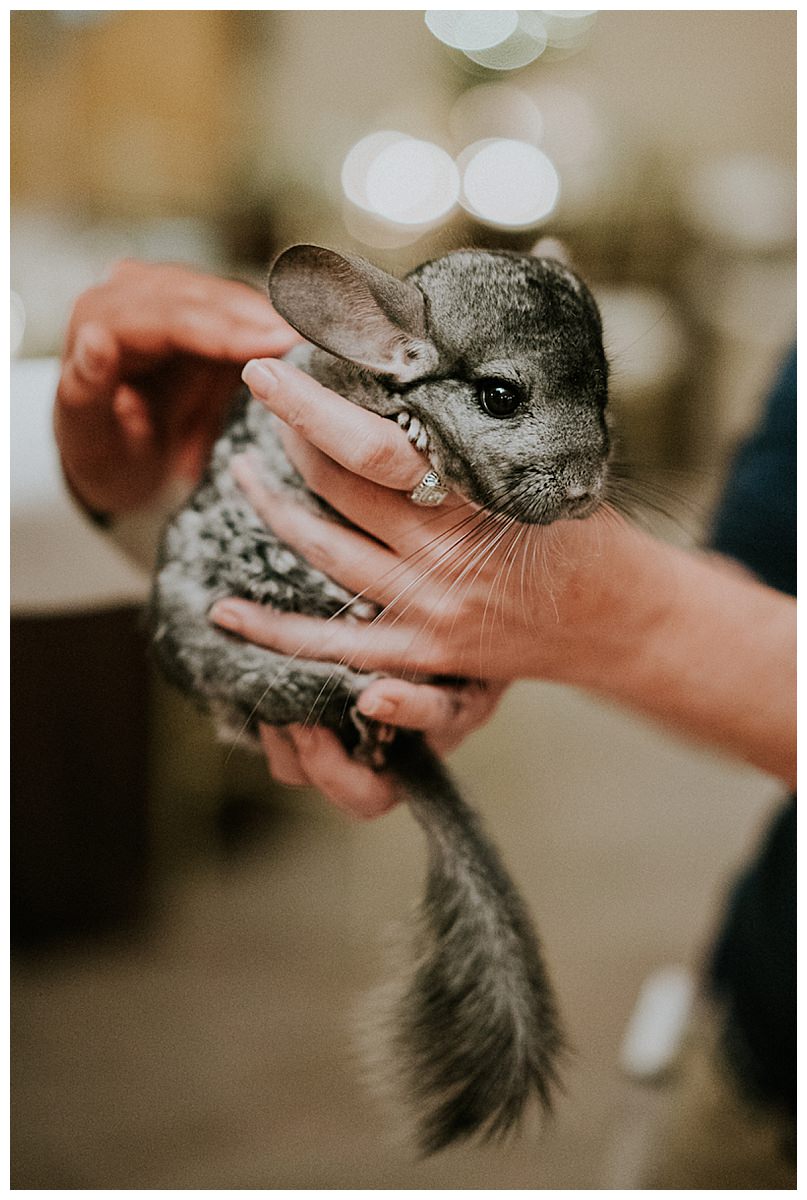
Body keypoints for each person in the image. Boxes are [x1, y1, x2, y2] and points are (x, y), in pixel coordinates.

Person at [54, 259, 795, 1184]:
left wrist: (625, 613)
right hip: (763, 1019)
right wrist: (200, 487)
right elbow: (753, 602)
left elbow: (680, 617)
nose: (584, 474)